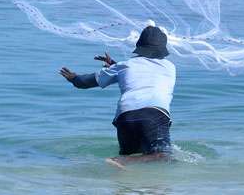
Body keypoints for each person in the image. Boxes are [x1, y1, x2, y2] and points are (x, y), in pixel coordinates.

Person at [59, 26, 176, 169]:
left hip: (125, 117)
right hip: (154, 114)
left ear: (139, 46)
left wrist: (74, 78)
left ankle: (123, 182)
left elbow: (84, 83)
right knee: (163, 157)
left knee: (129, 158)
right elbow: (146, 74)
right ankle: (122, 162)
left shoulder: (124, 66)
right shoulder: (170, 67)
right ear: (162, 49)